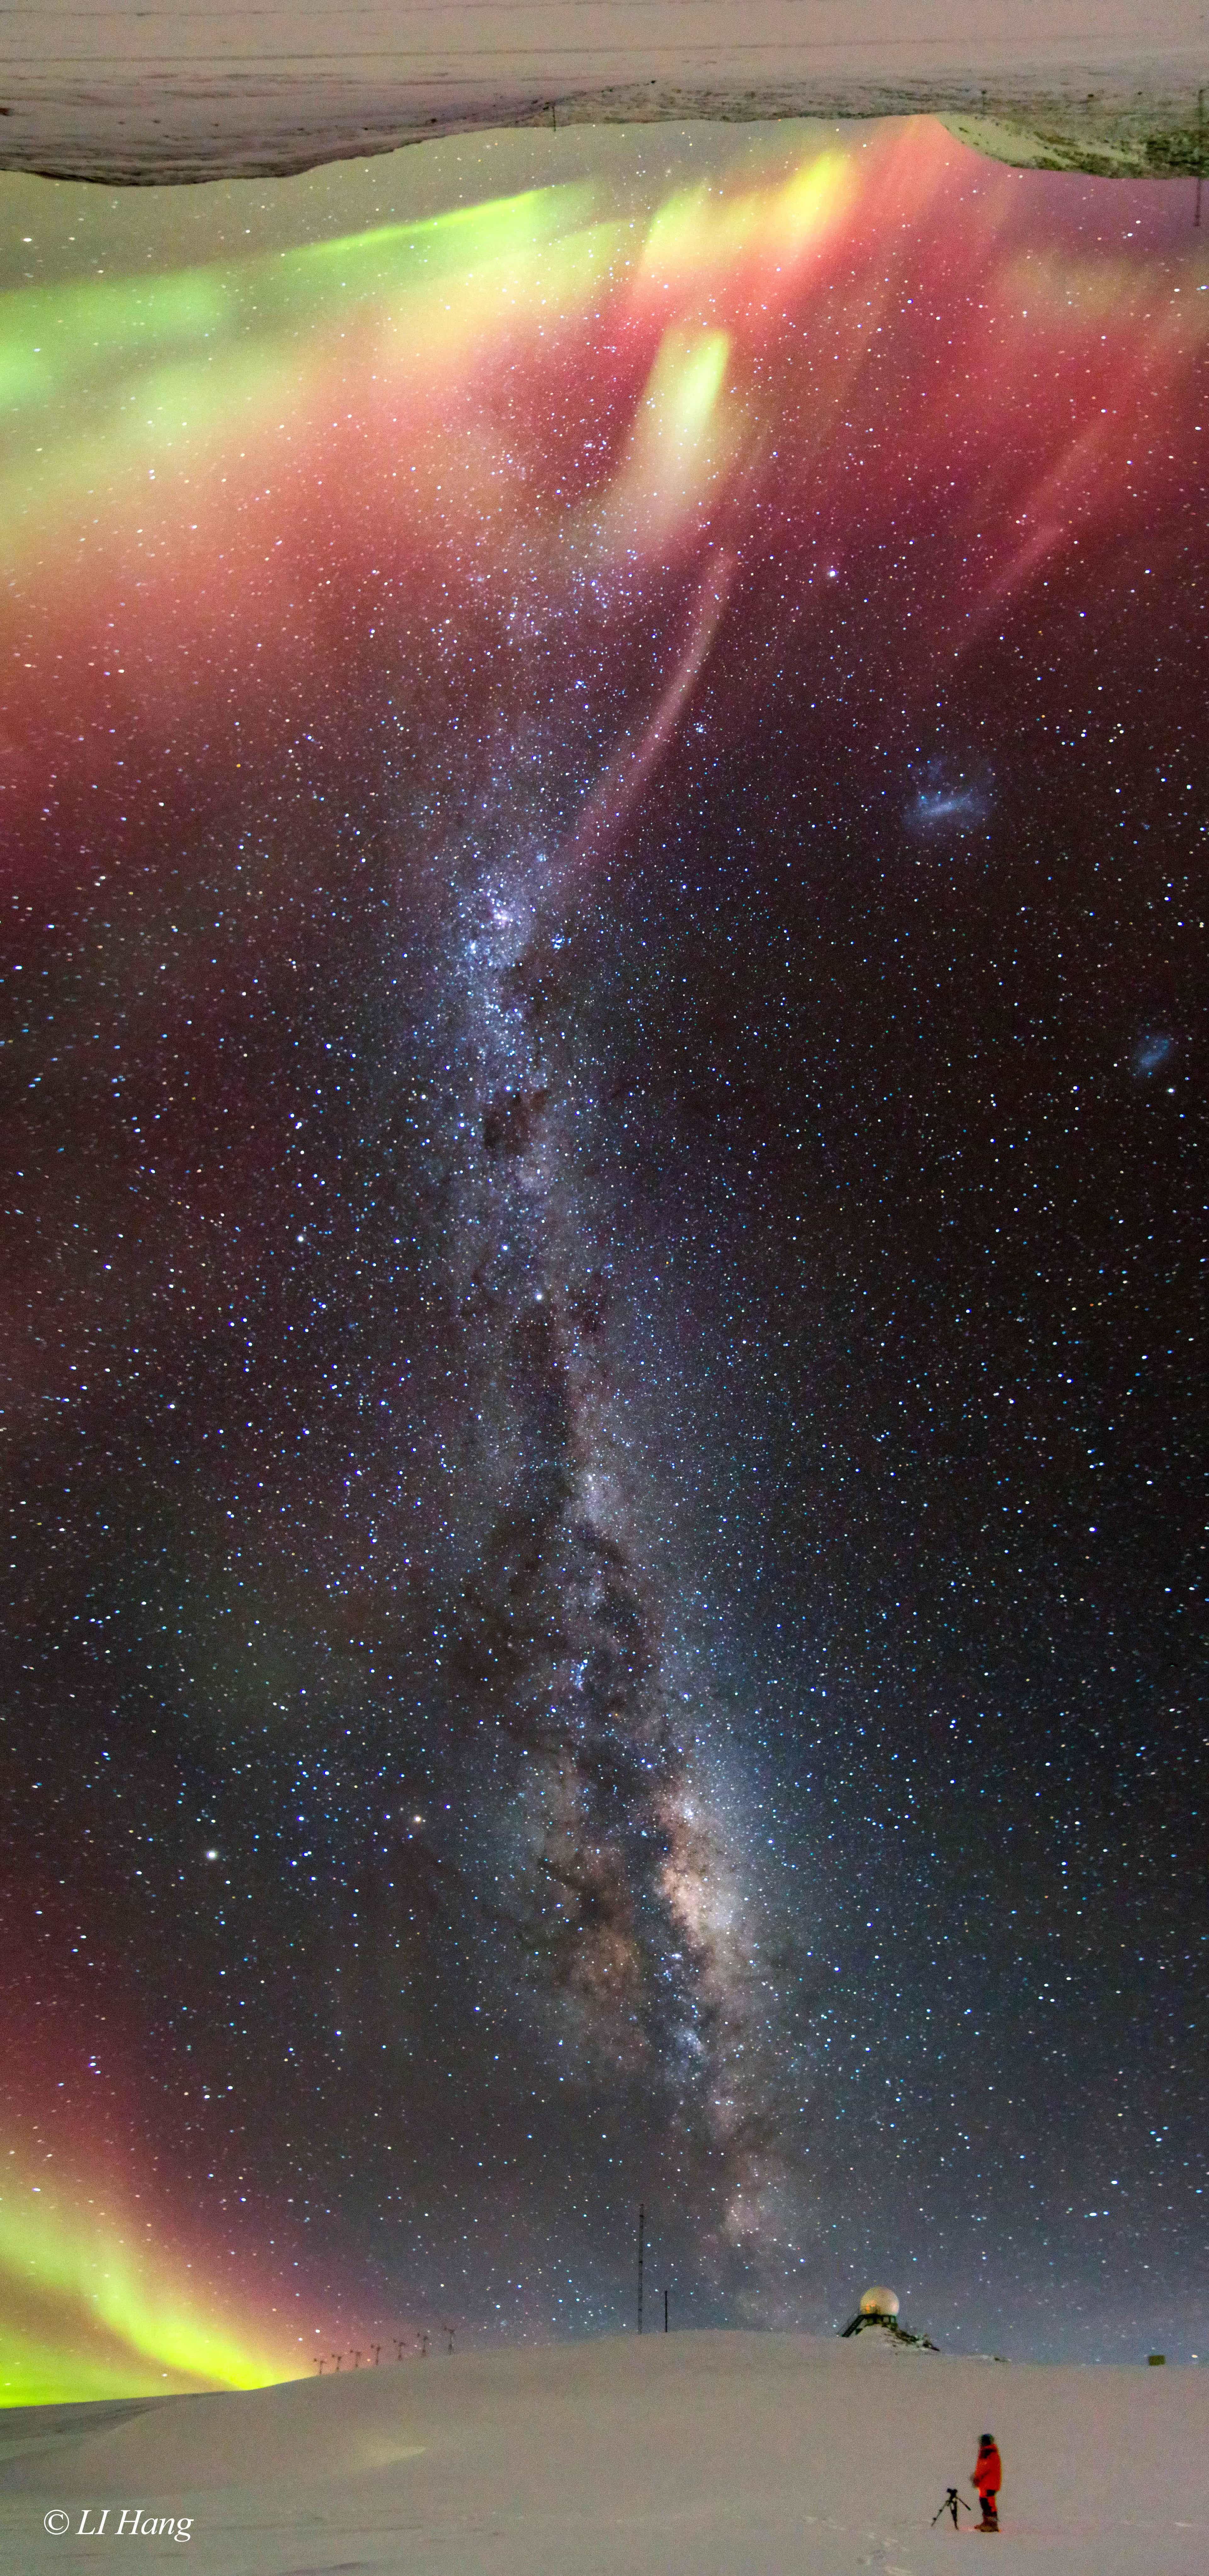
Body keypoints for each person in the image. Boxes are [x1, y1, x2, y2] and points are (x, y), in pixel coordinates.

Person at [973, 2433, 1003, 2532]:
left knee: (989, 2503)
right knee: (984, 2502)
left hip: (990, 2483)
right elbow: (982, 2467)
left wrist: (978, 2477)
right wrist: (977, 2477)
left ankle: (992, 2524)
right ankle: (987, 2522)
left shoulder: (990, 2453)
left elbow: (986, 2467)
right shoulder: (985, 2452)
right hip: (985, 2483)